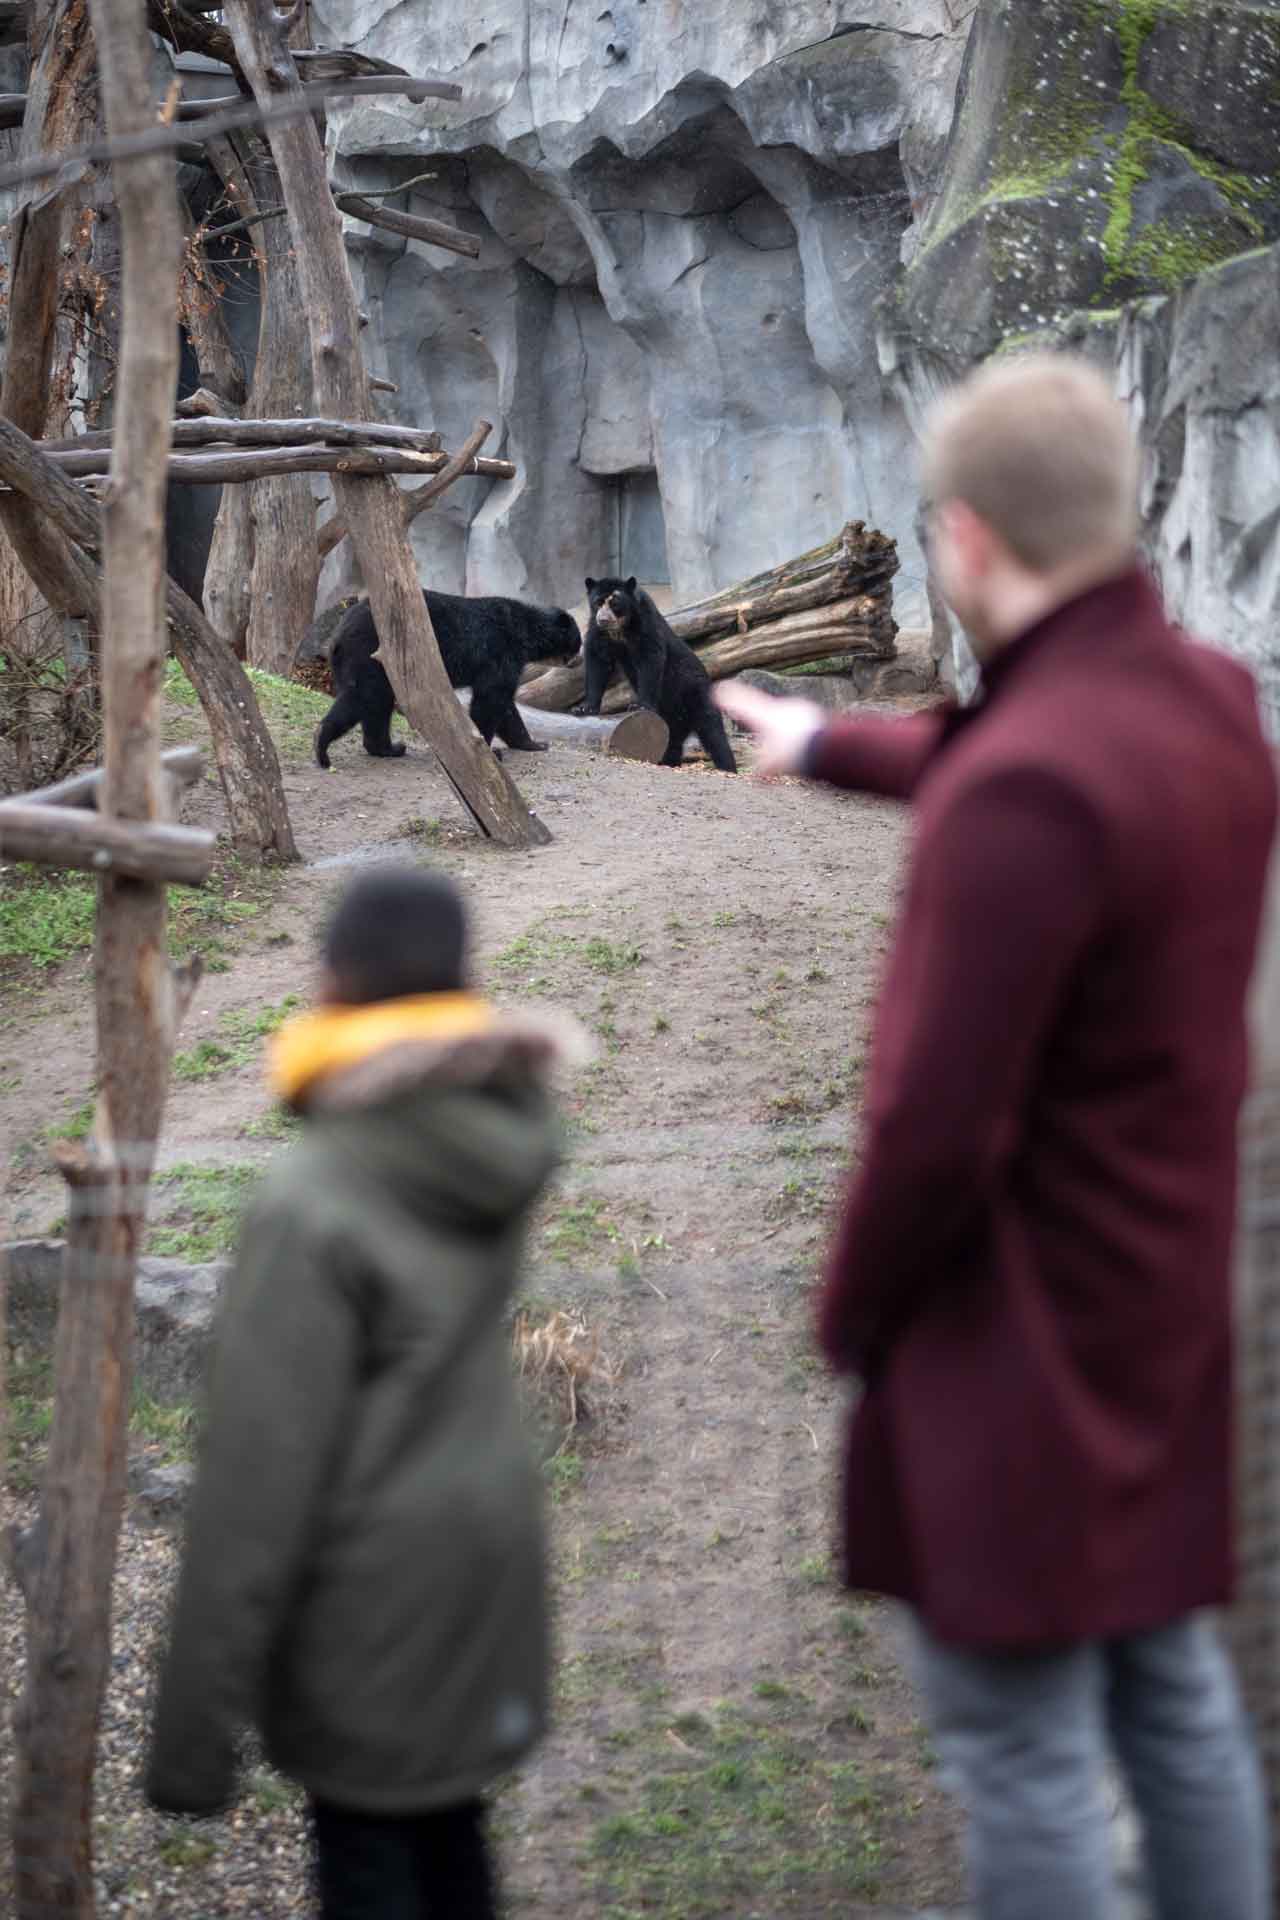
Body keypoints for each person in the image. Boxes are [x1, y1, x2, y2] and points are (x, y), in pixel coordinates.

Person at [716, 354, 1278, 1920]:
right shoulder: (1207, 703)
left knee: (1022, 1754)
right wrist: (825, 741)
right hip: (1160, 1308)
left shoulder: (1024, 795)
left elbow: (933, 1134)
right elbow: (1027, 757)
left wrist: (852, 1318)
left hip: (1020, 1346)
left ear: (962, 540)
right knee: (1172, 1697)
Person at [146, 866, 587, 1920]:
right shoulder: (493, 1130)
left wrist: (189, 1746)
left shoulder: (316, 1195)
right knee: (448, 1834)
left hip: (370, 1595)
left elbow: (256, 1484)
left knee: (373, 1855)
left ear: (333, 982)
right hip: (485, 1560)